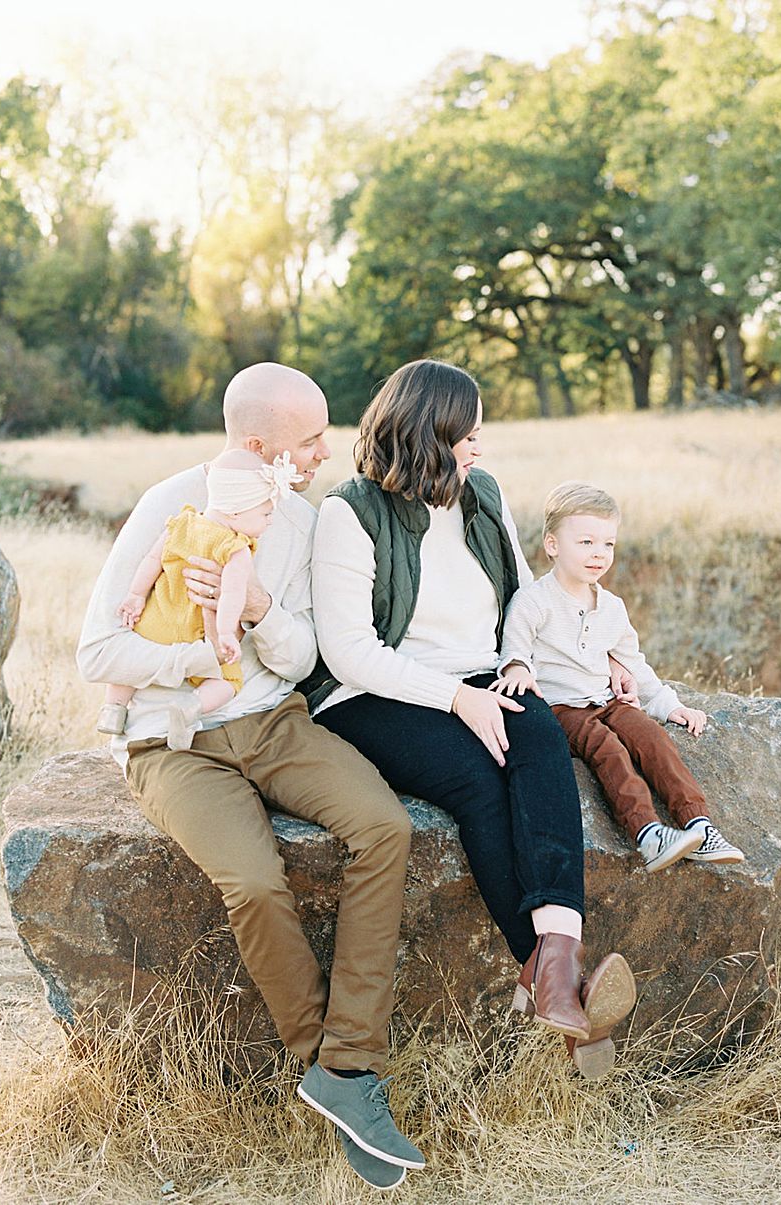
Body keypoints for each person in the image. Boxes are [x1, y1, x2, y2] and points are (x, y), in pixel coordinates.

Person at [79, 363, 425, 1189]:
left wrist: (262, 609)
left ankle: (346, 1065)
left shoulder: (301, 519)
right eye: (311, 440)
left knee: (385, 826)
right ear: (260, 445)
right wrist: (204, 655)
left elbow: (303, 656)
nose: (325, 451)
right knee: (256, 880)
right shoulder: (169, 504)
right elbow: (99, 649)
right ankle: (329, 1062)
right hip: (175, 739)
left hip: (275, 723)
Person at [305, 358, 635, 1081]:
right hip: (373, 693)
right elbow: (349, 650)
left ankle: (555, 968)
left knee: (540, 735)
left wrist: (594, 653)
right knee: (477, 780)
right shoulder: (350, 511)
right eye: (470, 432)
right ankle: (563, 989)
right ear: (430, 431)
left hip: (482, 672)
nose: (480, 447)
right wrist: (457, 698)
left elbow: (526, 597)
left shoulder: (481, 493)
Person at [494, 481, 745, 873]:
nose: (599, 554)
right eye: (586, 542)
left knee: (651, 736)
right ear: (553, 544)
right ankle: (649, 834)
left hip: (606, 700)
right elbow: (514, 650)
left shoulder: (612, 607)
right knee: (607, 750)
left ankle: (699, 824)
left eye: (608, 544)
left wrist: (669, 705)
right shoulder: (533, 601)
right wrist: (518, 669)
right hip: (561, 709)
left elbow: (633, 662)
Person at [97, 447, 304, 748]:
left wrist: (135, 596)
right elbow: (232, 595)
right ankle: (189, 708)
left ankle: (114, 709)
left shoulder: (182, 522)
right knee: (228, 682)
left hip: (158, 620)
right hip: (199, 634)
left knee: (129, 669)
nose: (270, 520)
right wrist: (223, 634)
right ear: (236, 510)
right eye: (266, 513)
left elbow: (152, 561)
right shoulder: (235, 549)